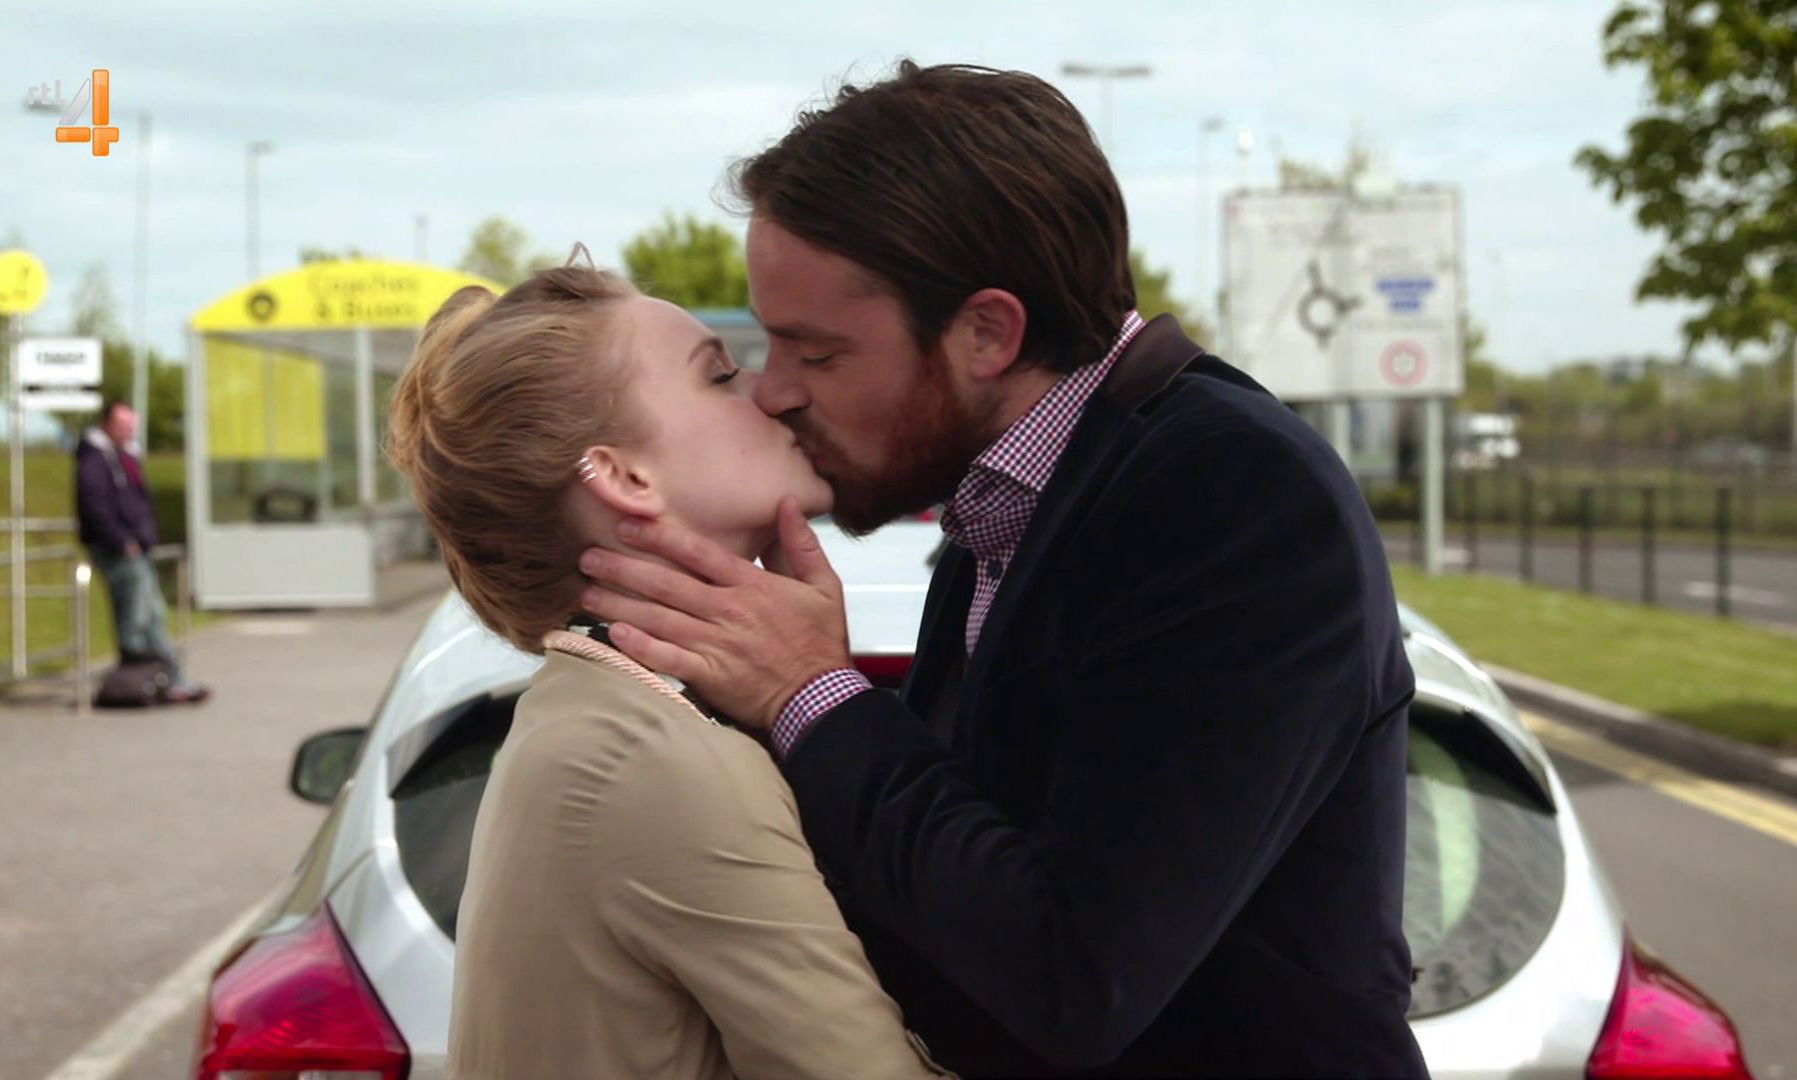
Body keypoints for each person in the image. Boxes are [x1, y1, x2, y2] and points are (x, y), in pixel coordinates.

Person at [575, 62, 1429, 1078]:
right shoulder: (1017, 495)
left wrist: (812, 695)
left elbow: (1076, 978)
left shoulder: (1233, 496)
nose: (774, 392)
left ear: (986, 332)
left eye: (819, 353)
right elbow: (950, 901)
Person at [387, 267, 947, 1080]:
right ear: (624, 478)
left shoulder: (599, 718)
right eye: (719, 375)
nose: (770, 392)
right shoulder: (654, 757)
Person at [75, 401, 208, 704]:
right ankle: (134, 683)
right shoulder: (95, 461)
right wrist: (122, 541)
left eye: (131, 426)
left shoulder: (125, 457)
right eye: (122, 426)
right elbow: (96, 507)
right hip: (120, 551)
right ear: (106, 425)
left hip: (137, 548)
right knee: (134, 621)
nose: (128, 432)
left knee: (153, 616)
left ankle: (168, 678)